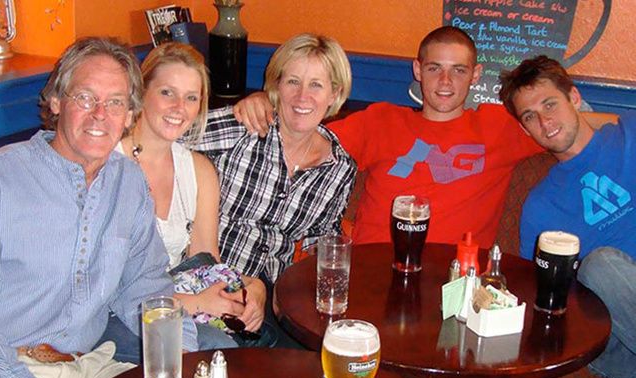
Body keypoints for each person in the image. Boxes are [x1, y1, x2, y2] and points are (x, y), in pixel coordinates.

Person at [234, 27, 614, 250]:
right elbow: (301, 137)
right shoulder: (380, 120)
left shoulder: (502, 126)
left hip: (456, 285)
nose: (445, 82)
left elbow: (567, 122)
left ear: (475, 74)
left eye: (458, 70)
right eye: (434, 68)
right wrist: (263, 102)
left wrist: (619, 121)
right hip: (372, 274)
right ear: (418, 70)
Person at [0, 37, 198, 378]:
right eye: (85, 98)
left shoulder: (129, 182)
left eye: (115, 102)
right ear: (57, 101)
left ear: (130, 115)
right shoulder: (4, 177)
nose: (100, 115)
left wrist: (178, 353)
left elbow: (145, 283)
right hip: (7, 369)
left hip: (88, 368)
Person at [188, 33, 357, 347]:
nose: (302, 96)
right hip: (209, 280)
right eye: (292, 81)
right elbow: (165, 138)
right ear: (276, 86)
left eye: (316, 85)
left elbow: (320, 244)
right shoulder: (244, 127)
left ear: (334, 94)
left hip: (273, 296)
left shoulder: (340, 169)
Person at [114, 42, 265, 348]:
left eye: (191, 97)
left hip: (177, 302)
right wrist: (196, 302)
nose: (179, 108)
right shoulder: (109, 163)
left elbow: (207, 263)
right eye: (167, 92)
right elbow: (109, 284)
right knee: (216, 349)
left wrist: (255, 288)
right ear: (142, 93)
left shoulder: (198, 170)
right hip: (117, 310)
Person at [499, 55, 635, 378]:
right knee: (600, 266)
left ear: (574, 98)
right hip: (617, 345)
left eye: (550, 104)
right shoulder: (540, 207)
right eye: (530, 116)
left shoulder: (630, 133)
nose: (545, 122)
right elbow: (546, 298)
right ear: (523, 128)